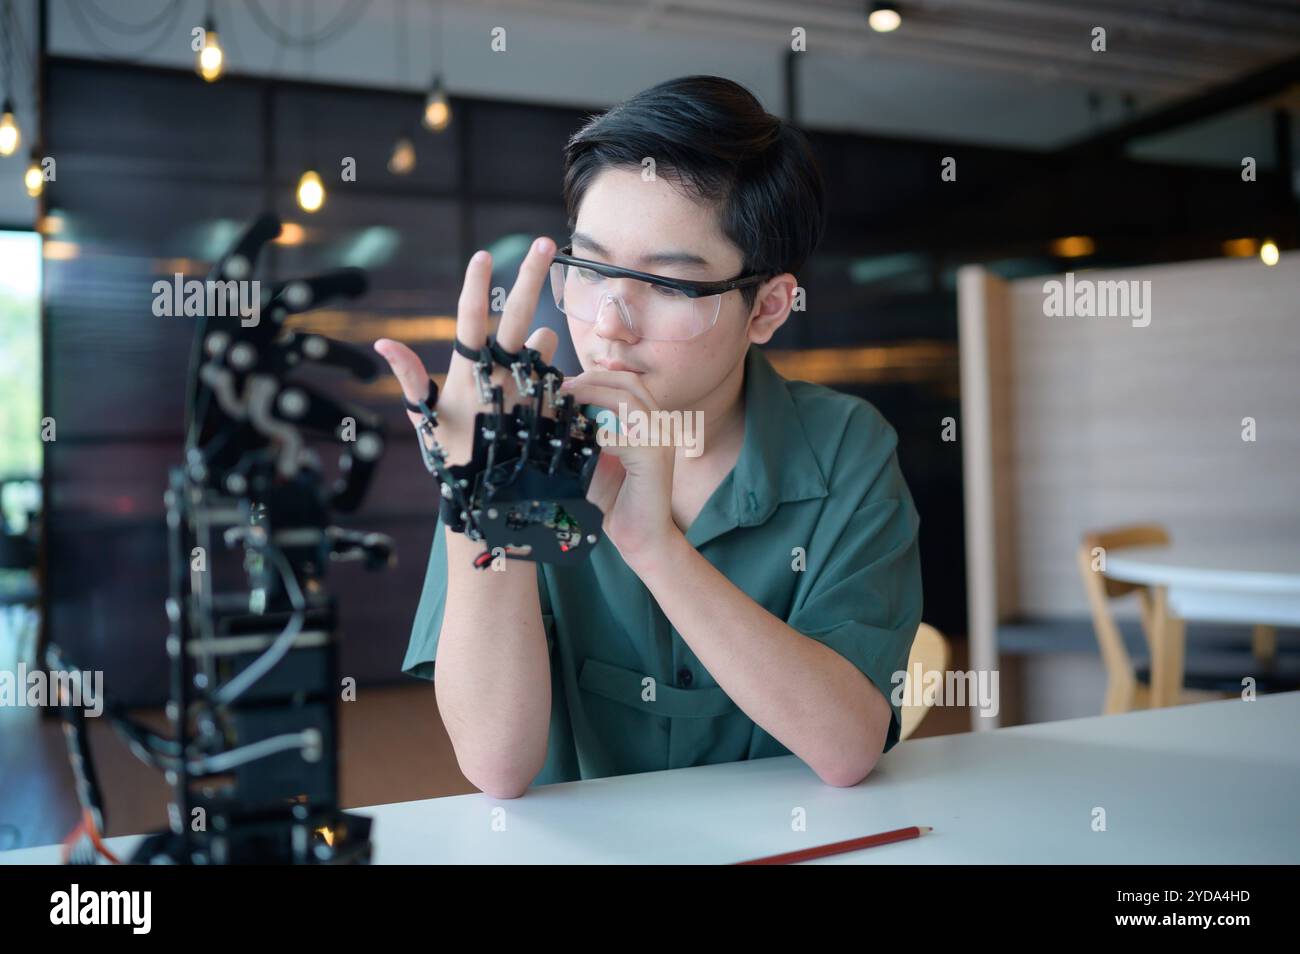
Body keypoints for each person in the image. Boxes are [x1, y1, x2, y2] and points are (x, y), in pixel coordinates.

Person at [375, 75, 922, 798]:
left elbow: (847, 747)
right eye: (592, 269)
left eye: (667, 286)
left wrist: (654, 548)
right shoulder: (523, 443)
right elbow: (496, 766)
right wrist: (478, 500)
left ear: (767, 307)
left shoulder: (846, 448)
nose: (607, 322)